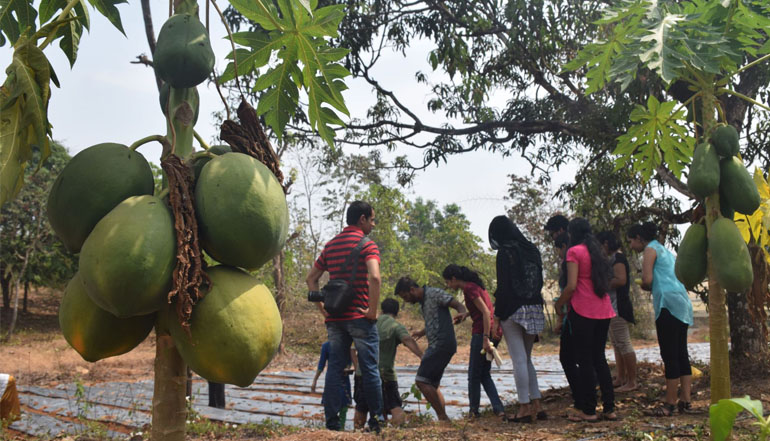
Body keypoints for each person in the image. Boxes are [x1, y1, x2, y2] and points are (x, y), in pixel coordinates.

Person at [306, 201, 385, 432]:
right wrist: (371, 310)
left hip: (336, 319)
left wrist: (323, 309)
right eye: (371, 219)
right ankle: (377, 421)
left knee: (335, 369)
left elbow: (311, 279)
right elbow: (375, 278)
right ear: (361, 219)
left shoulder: (331, 246)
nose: (373, 224)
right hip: (360, 318)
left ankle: (332, 424)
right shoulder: (368, 245)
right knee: (369, 368)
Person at [627, 222, 694, 416]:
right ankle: (686, 401)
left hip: (667, 304)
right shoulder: (664, 250)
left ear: (639, 238)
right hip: (681, 303)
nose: (631, 246)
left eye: (631, 241)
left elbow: (647, 280)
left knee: (670, 354)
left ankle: (670, 403)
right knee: (681, 353)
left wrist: (644, 286)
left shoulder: (650, 249)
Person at [554, 218, 616, 422]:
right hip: (604, 310)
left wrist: (558, 305)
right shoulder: (597, 252)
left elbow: (571, 286)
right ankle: (609, 407)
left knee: (585, 360)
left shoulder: (574, 252)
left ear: (572, 234)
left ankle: (589, 410)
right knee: (599, 358)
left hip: (583, 310)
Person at [488, 216, 547, 423]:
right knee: (527, 359)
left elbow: (504, 288)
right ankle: (537, 404)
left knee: (519, 359)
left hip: (513, 310)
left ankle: (523, 407)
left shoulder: (505, 252)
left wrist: (497, 317)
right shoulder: (532, 250)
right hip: (534, 308)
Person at [394, 276, 468, 421]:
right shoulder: (424, 301)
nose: (406, 300)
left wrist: (462, 311)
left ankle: (443, 417)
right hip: (437, 344)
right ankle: (443, 418)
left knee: (421, 381)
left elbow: (456, 304)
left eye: (405, 296)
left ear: (412, 290)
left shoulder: (434, 293)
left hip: (442, 343)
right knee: (431, 383)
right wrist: (422, 332)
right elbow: (434, 321)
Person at [441, 264, 505, 419]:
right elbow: (481, 309)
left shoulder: (468, 288)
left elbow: (485, 311)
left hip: (482, 333)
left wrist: (484, 338)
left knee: (474, 375)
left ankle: (473, 411)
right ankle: (498, 408)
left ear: (454, 279)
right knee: (484, 374)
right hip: (494, 331)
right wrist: (466, 315)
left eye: (448, 282)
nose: (449, 285)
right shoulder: (475, 286)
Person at [597, 230, 638, 392]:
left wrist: (601, 284)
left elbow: (621, 280)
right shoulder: (612, 259)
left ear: (606, 243)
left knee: (624, 343)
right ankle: (620, 377)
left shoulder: (618, 258)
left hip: (618, 306)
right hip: (611, 306)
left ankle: (632, 381)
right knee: (616, 344)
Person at [377, 298, 424, 425]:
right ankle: (396, 434)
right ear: (397, 312)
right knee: (394, 406)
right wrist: (421, 356)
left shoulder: (370, 323)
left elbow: (353, 348)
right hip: (385, 373)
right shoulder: (395, 326)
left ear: (382, 310)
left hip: (364, 373)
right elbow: (407, 340)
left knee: (362, 407)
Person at [553, 232, 581, 410]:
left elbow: (570, 288)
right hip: (580, 315)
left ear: (563, 247)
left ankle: (580, 398)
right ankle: (583, 395)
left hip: (574, 316)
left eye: (557, 250)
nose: (558, 254)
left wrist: (559, 309)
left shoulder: (570, 260)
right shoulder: (586, 255)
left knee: (568, 358)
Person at [311, 342, 353, 429]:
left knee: (336, 407)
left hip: (335, 379)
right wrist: (315, 380)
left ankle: (336, 430)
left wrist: (315, 380)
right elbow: (321, 365)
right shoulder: (344, 344)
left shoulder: (328, 345)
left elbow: (321, 365)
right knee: (342, 407)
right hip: (340, 379)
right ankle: (338, 429)